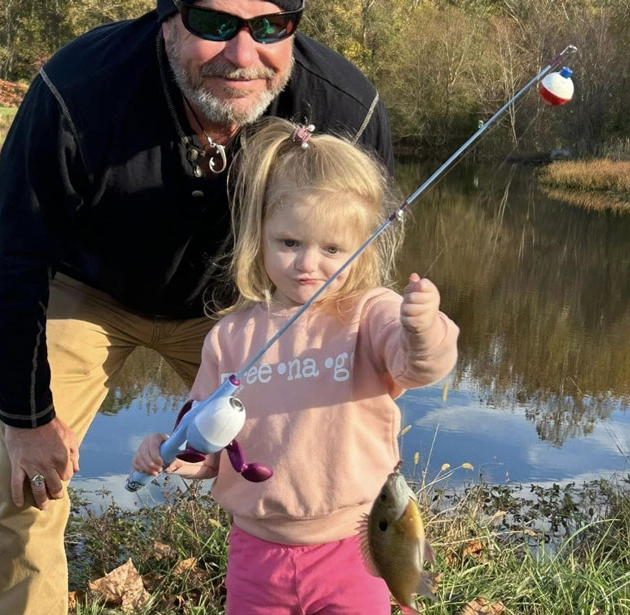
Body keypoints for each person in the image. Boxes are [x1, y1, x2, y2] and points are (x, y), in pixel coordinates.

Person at [0, 0, 394, 613]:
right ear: (167, 17)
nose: (243, 54)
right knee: (28, 483)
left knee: (308, 458)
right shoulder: (79, 88)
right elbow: (11, 252)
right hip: (90, 292)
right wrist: (28, 416)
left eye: (271, 27)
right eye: (216, 23)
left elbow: (360, 264)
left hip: (243, 310)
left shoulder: (343, 108)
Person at [133, 117, 459, 614]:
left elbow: (421, 365)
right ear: (259, 237)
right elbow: (207, 449)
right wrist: (172, 454)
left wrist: (421, 327)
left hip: (357, 548)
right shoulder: (230, 336)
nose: (308, 264)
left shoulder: (371, 313)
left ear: (363, 251)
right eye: (289, 243)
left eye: (332, 249)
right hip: (255, 554)